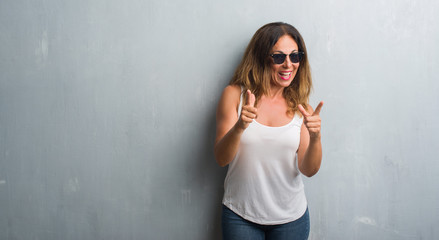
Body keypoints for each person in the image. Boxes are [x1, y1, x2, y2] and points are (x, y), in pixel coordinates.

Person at [214, 22, 323, 240]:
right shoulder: (235, 95)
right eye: (279, 57)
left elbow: (309, 170)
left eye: (295, 56)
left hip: (291, 219)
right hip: (240, 215)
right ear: (263, 58)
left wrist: (315, 138)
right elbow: (221, 159)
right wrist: (240, 127)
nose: (288, 65)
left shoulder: (302, 108)